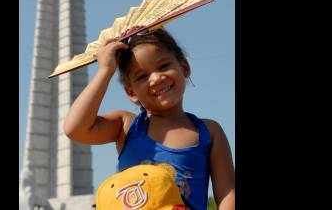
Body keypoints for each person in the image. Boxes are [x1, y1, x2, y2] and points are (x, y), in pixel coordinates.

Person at [64, 28, 235, 210]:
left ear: (184, 68)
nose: (155, 79)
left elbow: (228, 194)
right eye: (142, 76)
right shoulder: (127, 126)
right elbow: (75, 129)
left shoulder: (208, 131)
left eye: (163, 66)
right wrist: (105, 71)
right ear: (131, 92)